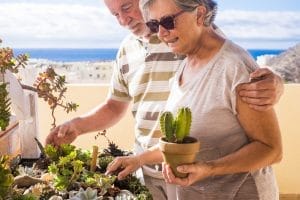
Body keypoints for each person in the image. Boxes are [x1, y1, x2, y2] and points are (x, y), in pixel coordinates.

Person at [46, 0, 283, 199]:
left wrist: (276, 83)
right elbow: (177, 139)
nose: (161, 32)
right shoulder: (183, 60)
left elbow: (270, 147)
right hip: (183, 183)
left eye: (127, 7)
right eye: (154, 24)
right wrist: (138, 159)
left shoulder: (212, 53)